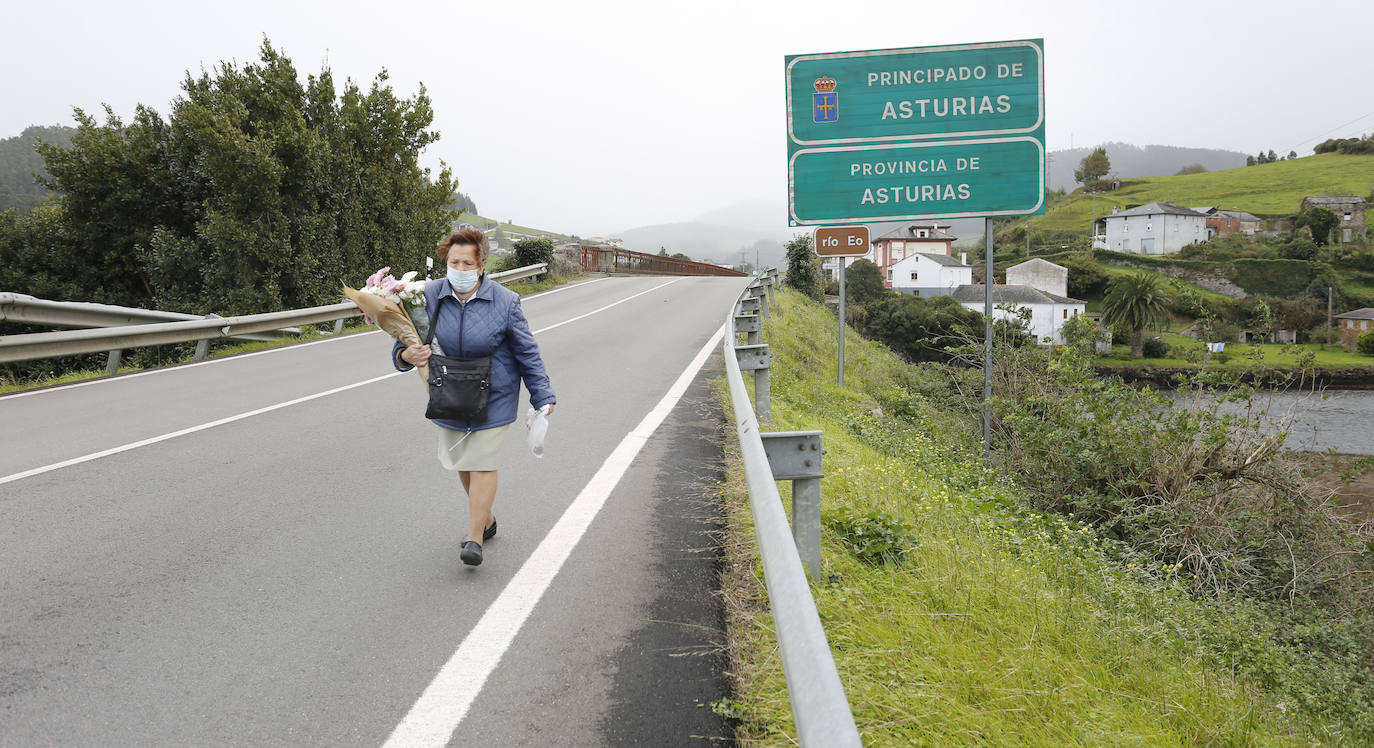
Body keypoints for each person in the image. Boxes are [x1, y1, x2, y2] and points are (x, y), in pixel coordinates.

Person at [393, 228, 556, 567]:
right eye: (454, 262)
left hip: (494, 393)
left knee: (482, 460)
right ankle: (488, 518)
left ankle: (474, 538)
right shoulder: (427, 295)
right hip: (448, 390)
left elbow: (527, 352)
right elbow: (404, 339)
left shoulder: (505, 301)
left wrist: (542, 395)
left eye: (468, 263)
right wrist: (407, 356)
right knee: (462, 462)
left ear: (481, 265)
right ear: (446, 262)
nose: (460, 269)